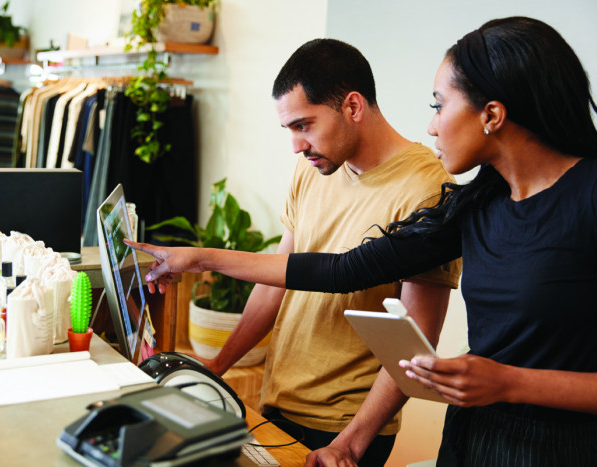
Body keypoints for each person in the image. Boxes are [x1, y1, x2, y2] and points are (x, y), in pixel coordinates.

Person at [128, 17, 597, 466]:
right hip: (473, 438)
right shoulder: (476, 206)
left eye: (439, 105)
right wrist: (199, 260)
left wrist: (510, 383)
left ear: (492, 114)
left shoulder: (585, 198)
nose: (432, 125)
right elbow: (342, 270)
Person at [140, 39, 460, 466]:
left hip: (344, 427)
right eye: (289, 129)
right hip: (278, 402)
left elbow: (414, 343)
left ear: (352, 106)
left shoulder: (425, 190)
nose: (295, 145)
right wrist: (217, 365)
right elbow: (275, 284)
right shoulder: (314, 167)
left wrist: (350, 443)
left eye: (304, 125)